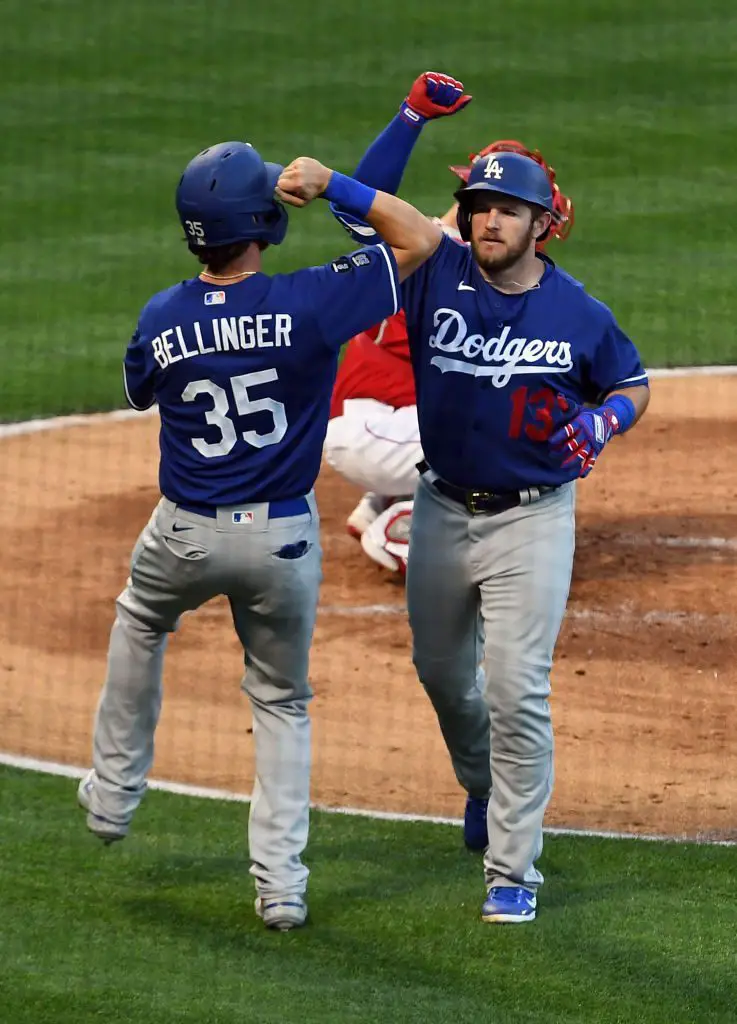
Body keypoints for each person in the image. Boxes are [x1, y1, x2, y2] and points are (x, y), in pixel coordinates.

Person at [76, 137, 447, 930]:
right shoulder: (312, 301)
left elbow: (140, 390)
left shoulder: (162, 314)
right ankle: (280, 887)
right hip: (281, 541)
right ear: (263, 223)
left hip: (182, 533)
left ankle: (111, 798)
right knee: (280, 701)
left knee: (142, 620)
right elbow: (419, 238)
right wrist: (335, 183)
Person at [397, 148, 650, 924]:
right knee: (442, 676)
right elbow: (361, 212)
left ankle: (513, 872)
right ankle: (480, 782)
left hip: (533, 518)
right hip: (439, 509)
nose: (489, 218)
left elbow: (630, 383)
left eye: (507, 208)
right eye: (478, 205)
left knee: (516, 690)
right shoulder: (433, 273)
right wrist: (405, 121)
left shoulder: (577, 311)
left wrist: (603, 420)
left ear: (542, 223)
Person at [323, 73, 573, 579]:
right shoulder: (430, 251)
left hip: (385, 424)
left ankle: (385, 499)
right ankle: (398, 527)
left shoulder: (441, 247)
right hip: (367, 427)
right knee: (512, 436)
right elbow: (353, 208)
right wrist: (410, 118)